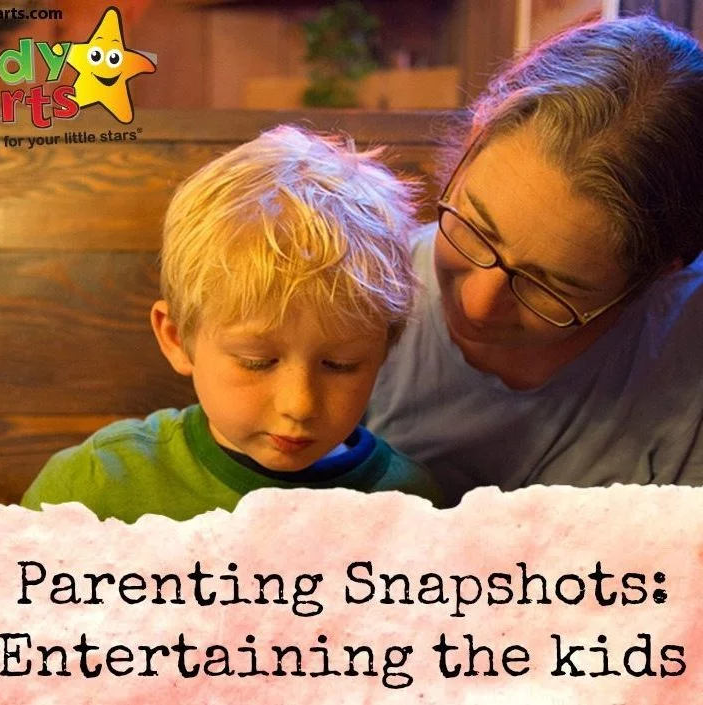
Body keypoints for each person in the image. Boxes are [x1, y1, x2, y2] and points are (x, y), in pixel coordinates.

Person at [22, 125, 442, 522]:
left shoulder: (412, 507)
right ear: (175, 337)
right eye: (257, 361)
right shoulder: (91, 489)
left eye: (341, 364)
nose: (299, 405)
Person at [366, 14, 703, 504]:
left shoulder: (688, 348)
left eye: (551, 287)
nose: (479, 305)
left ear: (661, 274)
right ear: (474, 142)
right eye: (475, 229)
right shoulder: (358, 297)